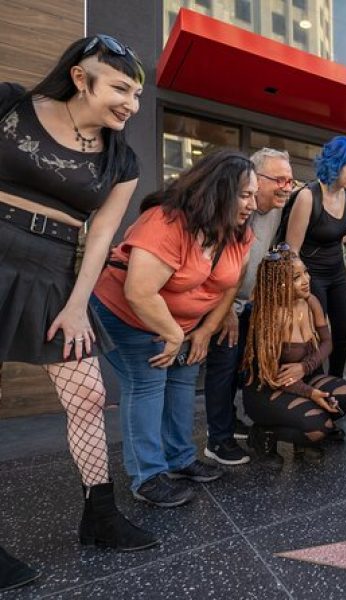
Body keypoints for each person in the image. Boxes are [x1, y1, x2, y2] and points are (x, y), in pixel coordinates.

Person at [0, 35, 155, 588]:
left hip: (56, 269)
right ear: (81, 78)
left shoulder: (123, 160)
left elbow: (101, 238)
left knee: (88, 393)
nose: (131, 105)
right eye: (120, 89)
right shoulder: (11, 104)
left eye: (137, 95)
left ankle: (101, 515)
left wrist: (76, 306)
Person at [91, 149, 256, 507]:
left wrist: (207, 328)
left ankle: (180, 459)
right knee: (148, 382)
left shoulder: (238, 232)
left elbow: (231, 282)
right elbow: (138, 292)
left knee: (182, 380)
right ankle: (147, 475)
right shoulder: (165, 222)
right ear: (220, 190)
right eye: (245, 195)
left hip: (183, 324)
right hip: (129, 314)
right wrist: (175, 333)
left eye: (254, 195)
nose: (252, 204)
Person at [203, 147, 294, 466]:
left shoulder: (279, 210)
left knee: (240, 369)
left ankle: (229, 422)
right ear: (256, 179)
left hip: (251, 304)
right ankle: (218, 440)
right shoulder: (236, 208)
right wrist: (224, 309)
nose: (286, 186)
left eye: (290, 180)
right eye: (279, 179)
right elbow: (213, 263)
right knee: (222, 369)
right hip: (222, 304)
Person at [241, 248, 346, 464]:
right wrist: (311, 393)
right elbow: (273, 376)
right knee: (321, 427)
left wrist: (305, 367)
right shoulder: (270, 317)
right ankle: (263, 433)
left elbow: (327, 342)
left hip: (301, 378)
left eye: (306, 273)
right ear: (278, 283)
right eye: (296, 277)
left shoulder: (310, 301)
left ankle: (301, 441)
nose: (306, 280)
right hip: (267, 390)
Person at [285, 135, 346, 377]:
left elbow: (338, 234)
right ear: (335, 164)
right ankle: (315, 380)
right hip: (311, 275)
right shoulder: (308, 196)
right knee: (316, 334)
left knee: (344, 330)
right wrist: (300, 289)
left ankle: (336, 379)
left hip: (337, 272)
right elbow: (291, 252)